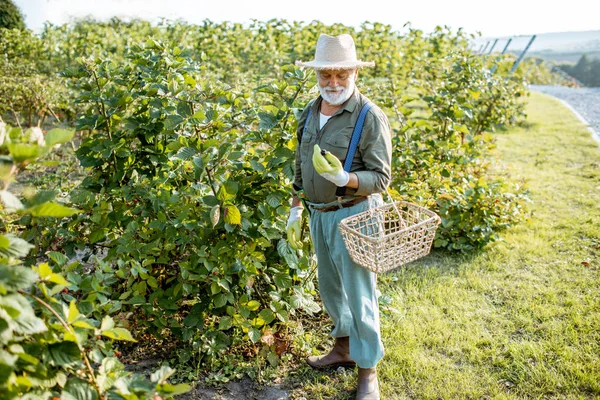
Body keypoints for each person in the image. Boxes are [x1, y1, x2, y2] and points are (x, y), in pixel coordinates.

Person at [286, 33, 392, 400]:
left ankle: (368, 371)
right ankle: (343, 349)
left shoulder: (368, 116)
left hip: (355, 215)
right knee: (331, 289)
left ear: (354, 74)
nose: (333, 84)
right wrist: (296, 207)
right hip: (319, 214)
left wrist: (346, 179)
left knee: (359, 292)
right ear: (317, 76)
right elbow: (301, 161)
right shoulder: (310, 111)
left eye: (341, 76)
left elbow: (381, 177)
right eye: (326, 76)